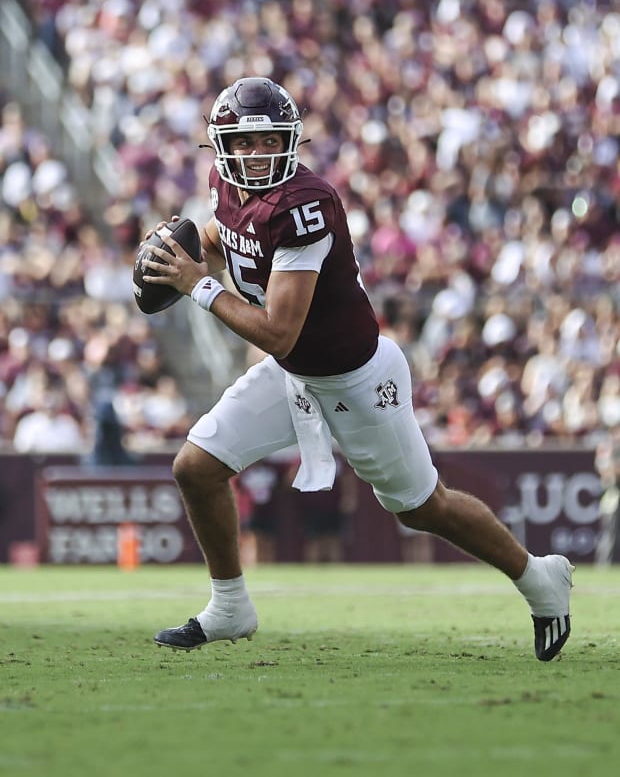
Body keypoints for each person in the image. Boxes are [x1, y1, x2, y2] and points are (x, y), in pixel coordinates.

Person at [142, 77, 573, 662]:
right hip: (295, 374)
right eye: (245, 141)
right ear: (223, 146)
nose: (258, 154)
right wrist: (193, 249)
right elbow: (228, 234)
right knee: (195, 467)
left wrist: (199, 286)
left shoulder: (305, 205)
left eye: (271, 141)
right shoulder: (226, 185)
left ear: (291, 142)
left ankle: (539, 577)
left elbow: (278, 329)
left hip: (356, 380)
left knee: (424, 507)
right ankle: (230, 606)